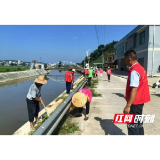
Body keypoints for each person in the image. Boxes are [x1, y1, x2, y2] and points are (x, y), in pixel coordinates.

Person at [123, 50, 150, 136]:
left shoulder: (134, 71)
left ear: (129, 59)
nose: (125, 61)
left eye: (125, 59)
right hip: (140, 101)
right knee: (138, 124)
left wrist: (128, 106)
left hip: (134, 103)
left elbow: (134, 89)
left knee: (132, 126)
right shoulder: (140, 68)